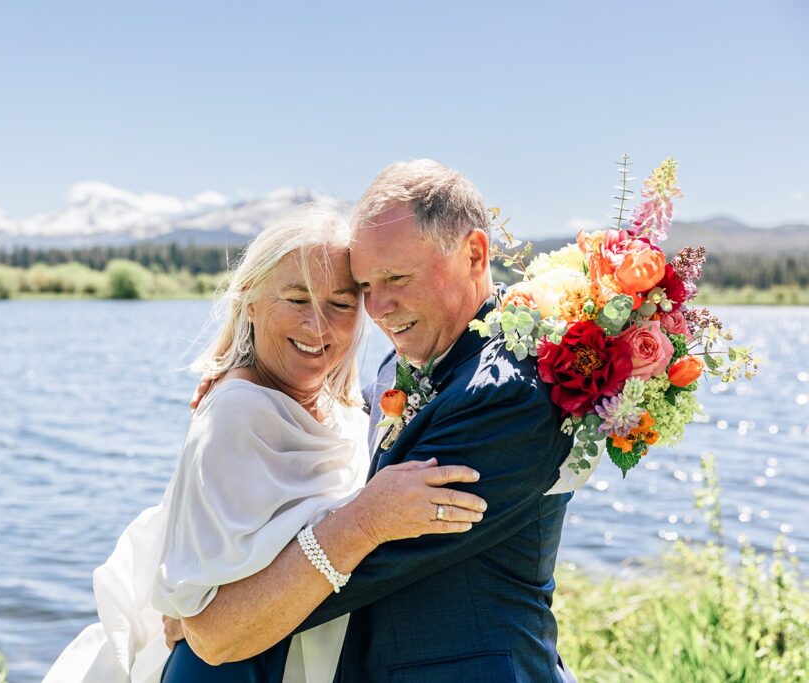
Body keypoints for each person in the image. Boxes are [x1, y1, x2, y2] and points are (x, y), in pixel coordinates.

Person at [43, 204, 487, 682]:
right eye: (297, 299)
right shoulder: (236, 414)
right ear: (250, 299)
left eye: (340, 304)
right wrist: (368, 521)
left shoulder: (343, 410)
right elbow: (211, 629)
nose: (317, 327)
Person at [171, 160, 576, 681]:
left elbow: (369, 557)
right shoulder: (396, 365)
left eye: (396, 278)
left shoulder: (512, 389)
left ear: (474, 253)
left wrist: (210, 613)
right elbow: (338, 430)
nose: (379, 308)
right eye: (364, 286)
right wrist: (245, 388)